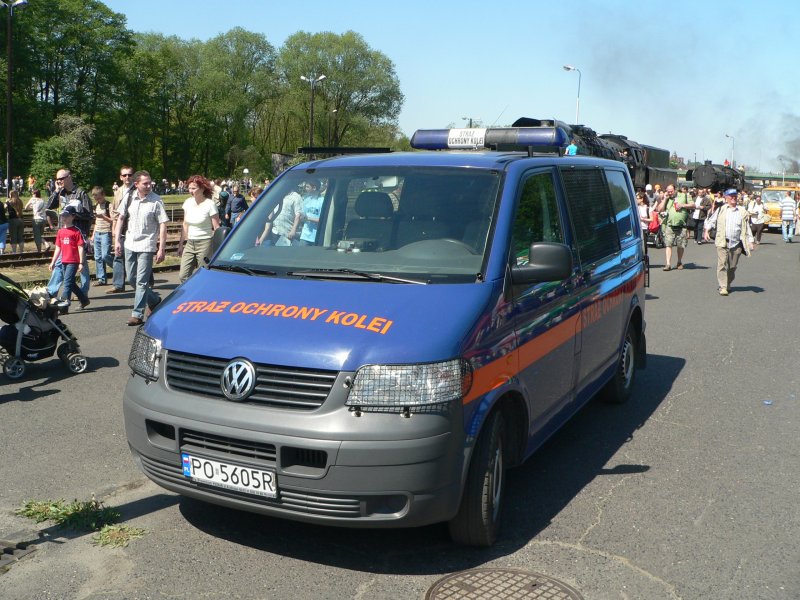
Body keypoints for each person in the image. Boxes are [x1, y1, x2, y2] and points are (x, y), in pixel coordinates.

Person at [115, 170, 168, 326]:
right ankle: (155, 300)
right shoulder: (129, 198)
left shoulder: (156, 200)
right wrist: (117, 240)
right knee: (132, 278)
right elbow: (120, 218)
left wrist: (161, 248)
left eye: (150, 182)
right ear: (136, 184)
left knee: (142, 282)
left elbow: (163, 225)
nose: (148, 185)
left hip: (147, 244)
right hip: (130, 243)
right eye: (145, 183)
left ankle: (137, 314)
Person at [45, 168, 93, 299]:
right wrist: (55, 191)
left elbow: (89, 215)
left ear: (69, 177)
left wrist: (73, 214)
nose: (59, 181)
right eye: (57, 179)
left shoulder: (80, 193)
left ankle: (81, 292)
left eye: (61, 178)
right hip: (64, 234)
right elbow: (48, 206)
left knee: (81, 264)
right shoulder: (60, 193)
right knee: (62, 263)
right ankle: (52, 292)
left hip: (77, 233)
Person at [704, 188, 754, 296]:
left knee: (732, 267)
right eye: (731, 196)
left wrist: (750, 241)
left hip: (736, 243)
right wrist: (706, 231)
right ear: (726, 198)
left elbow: (746, 227)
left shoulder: (742, 211)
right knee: (722, 264)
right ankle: (723, 287)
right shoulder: (721, 209)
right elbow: (711, 221)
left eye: (735, 196)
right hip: (722, 241)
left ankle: (727, 283)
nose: (733, 198)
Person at [178, 175, 220, 283]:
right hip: (190, 243)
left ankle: (204, 296)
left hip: (205, 242)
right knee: (183, 275)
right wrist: (181, 244)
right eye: (189, 188)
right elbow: (185, 224)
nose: (190, 191)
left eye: (193, 188)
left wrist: (217, 248)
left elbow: (216, 228)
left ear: (202, 189)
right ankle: (190, 295)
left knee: (203, 275)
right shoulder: (187, 203)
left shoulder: (210, 204)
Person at [49, 206, 90, 311]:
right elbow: (58, 248)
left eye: (66, 216)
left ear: (73, 216)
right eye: (63, 216)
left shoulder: (76, 231)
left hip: (74, 261)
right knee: (70, 282)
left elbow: (81, 248)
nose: (64, 218)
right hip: (64, 261)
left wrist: (81, 263)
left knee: (67, 283)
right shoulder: (61, 232)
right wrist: (53, 262)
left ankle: (64, 306)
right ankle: (84, 299)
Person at [107, 166, 135, 294]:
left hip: (135, 228)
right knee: (118, 255)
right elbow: (114, 212)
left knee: (138, 255)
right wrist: (114, 228)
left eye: (129, 175)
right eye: (124, 175)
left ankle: (147, 281)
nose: (127, 177)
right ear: (121, 177)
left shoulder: (138, 189)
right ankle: (118, 284)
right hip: (122, 228)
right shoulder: (118, 192)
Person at [657, 184, 690, 271]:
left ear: (675, 190)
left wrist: (682, 205)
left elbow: (693, 205)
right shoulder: (667, 199)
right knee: (668, 244)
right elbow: (659, 209)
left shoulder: (684, 195)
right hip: (669, 225)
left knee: (680, 245)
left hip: (681, 225)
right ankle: (668, 264)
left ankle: (679, 262)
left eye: (671, 191)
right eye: (668, 191)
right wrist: (665, 199)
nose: (670, 193)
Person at [90, 186, 114, 286]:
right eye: (95, 198)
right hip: (97, 233)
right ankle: (101, 279)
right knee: (98, 257)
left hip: (106, 232)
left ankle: (119, 268)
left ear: (103, 195)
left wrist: (103, 216)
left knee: (105, 255)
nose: (97, 200)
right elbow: (96, 222)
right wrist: (93, 235)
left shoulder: (109, 205)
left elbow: (113, 220)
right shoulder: (96, 205)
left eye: (99, 198)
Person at [298, 179, 324, 246]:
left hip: (316, 237)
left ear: (314, 188)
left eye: (307, 187)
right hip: (305, 236)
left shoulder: (322, 201)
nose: (306, 189)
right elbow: (302, 215)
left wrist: (308, 218)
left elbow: (323, 219)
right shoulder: (306, 199)